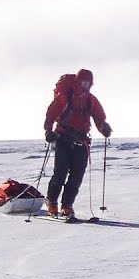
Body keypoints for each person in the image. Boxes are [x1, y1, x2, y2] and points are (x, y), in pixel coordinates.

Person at [43, 69, 112, 219]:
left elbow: (99, 117)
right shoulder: (65, 96)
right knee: (60, 173)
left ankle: (67, 205)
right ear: (78, 81)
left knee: (76, 176)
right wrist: (48, 130)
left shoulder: (90, 99)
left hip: (82, 141)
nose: (85, 84)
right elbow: (51, 113)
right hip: (63, 139)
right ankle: (52, 202)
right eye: (83, 81)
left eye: (88, 82)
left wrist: (104, 128)